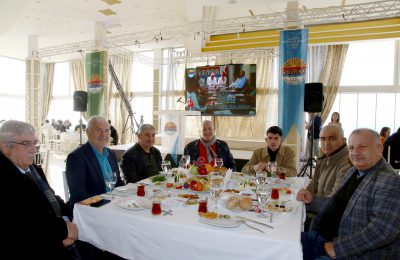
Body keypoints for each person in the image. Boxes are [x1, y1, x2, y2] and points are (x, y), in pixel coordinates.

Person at [301, 128, 400, 259]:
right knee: (282, 242)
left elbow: (381, 231)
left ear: (379, 148)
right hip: (323, 236)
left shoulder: (390, 180)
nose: (355, 152)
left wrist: (337, 248)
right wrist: (311, 201)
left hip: (350, 252)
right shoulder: (353, 171)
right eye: (351, 148)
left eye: (362, 147)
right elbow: (336, 203)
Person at [1, 120, 78, 259]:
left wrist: (68, 218)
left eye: (34, 143)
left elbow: (52, 197)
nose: (33, 149)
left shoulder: (33, 169)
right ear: (5, 147)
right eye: (25, 143)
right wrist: (64, 230)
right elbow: (24, 222)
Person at [297, 125, 352, 226]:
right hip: (315, 214)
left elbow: (334, 204)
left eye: (332, 138)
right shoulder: (323, 158)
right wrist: (306, 193)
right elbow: (313, 184)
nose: (326, 143)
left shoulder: (347, 164)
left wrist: (305, 201)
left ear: (343, 140)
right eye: (323, 139)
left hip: (330, 223)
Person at [66, 115, 124, 207]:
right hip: (91, 209)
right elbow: (79, 194)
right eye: (98, 130)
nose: (103, 135)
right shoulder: (77, 157)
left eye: (106, 130)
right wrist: (106, 204)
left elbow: (118, 182)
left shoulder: (111, 154)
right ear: (88, 133)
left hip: (114, 204)